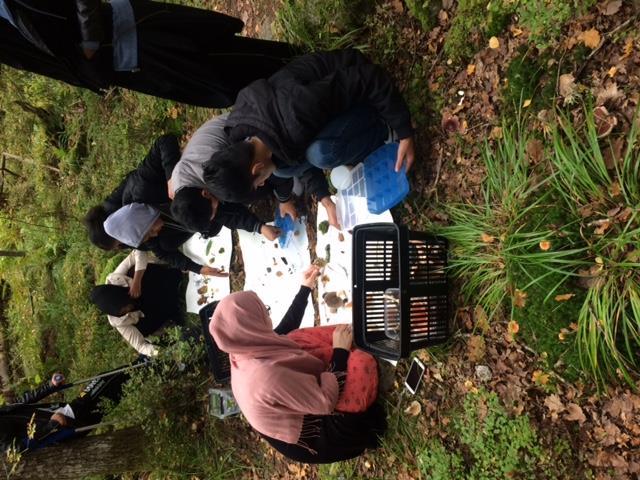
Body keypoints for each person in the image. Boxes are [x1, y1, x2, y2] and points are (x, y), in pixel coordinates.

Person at [202, 48, 416, 229]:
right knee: (282, 169)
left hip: (352, 81)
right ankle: (359, 137)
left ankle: (382, 128)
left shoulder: (295, 111)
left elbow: (367, 78)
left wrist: (404, 130)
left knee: (322, 153)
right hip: (323, 111)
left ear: (256, 168)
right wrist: (324, 198)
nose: (263, 184)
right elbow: (293, 157)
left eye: (258, 182)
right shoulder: (244, 135)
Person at [209, 268, 386, 463]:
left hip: (301, 397)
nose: (267, 315)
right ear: (252, 324)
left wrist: (305, 288)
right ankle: (346, 359)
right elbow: (324, 401)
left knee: (295, 337)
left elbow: (285, 328)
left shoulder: (243, 346)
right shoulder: (265, 376)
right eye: (263, 311)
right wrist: (341, 352)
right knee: (362, 362)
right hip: (324, 430)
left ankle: (342, 350)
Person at [0, 0, 296, 108]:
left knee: (222, 63)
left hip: (130, 32)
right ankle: (295, 89)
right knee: (219, 87)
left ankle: (304, 66)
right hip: (123, 66)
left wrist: (90, 39)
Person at [169, 113, 300, 230]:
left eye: (214, 208)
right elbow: (226, 215)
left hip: (245, 125)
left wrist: (284, 199)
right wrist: (259, 227)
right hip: (240, 145)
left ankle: (287, 176)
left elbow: (261, 161)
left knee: (248, 187)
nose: (216, 209)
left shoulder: (214, 170)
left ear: (205, 193)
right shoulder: (184, 194)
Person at [0, 362, 142, 452]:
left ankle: (150, 367)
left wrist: (50, 386)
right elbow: (21, 447)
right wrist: (52, 425)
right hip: (64, 425)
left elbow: (20, 402)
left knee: (113, 394)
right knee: (104, 380)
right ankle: (145, 362)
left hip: (64, 414)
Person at [84, 133, 181, 251]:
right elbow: (154, 247)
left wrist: (173, 180)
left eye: (119, 243)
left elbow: (165, 141)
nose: (124, 244)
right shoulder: (134, 233)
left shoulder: (141, 188)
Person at [91, 249, 186, 356]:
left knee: (135, 270)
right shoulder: (118, 322)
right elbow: (140, 346)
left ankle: (175, 280)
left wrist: (136, 280)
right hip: (151, 310)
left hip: (152, 287)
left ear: (119, 294)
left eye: (124, 306)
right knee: (143, 327)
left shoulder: (117, 279)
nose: (127, 309)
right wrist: (161, 353)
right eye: (122, 312)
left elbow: (138, 251)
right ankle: (173, 309)